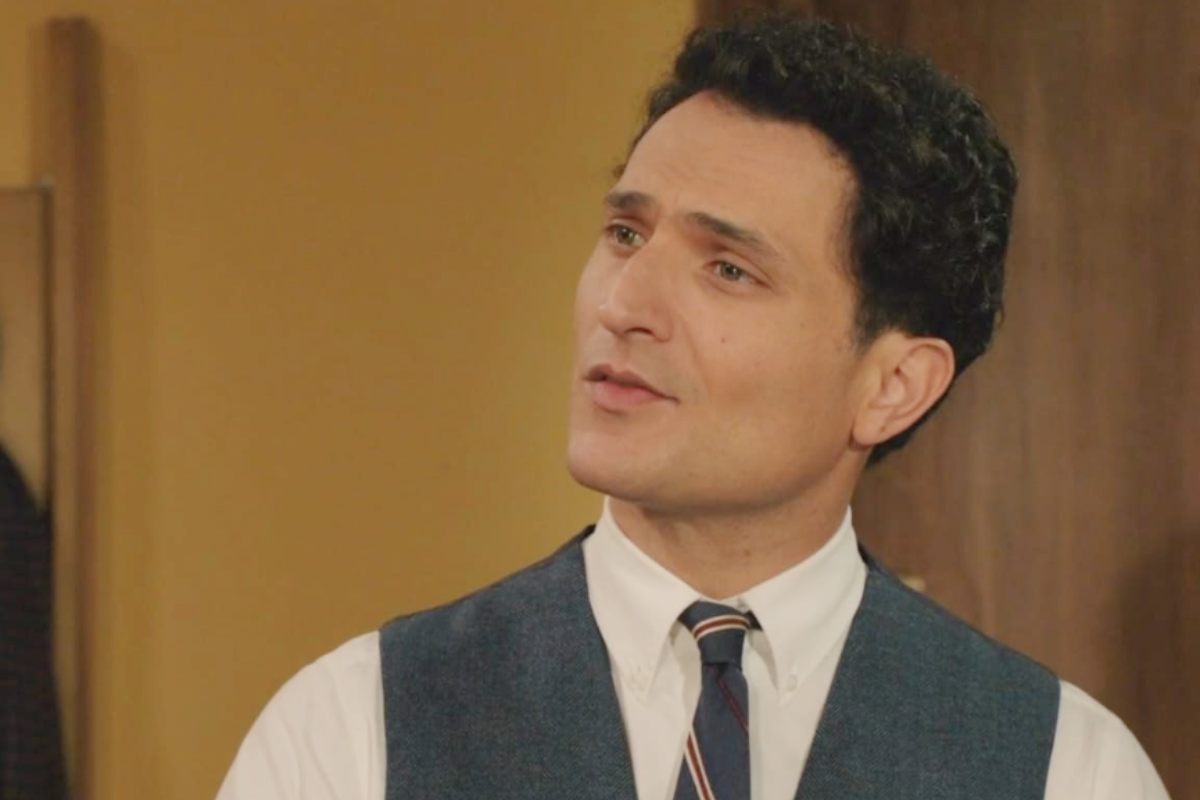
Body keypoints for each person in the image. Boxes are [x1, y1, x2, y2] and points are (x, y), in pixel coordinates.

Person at [217, 15, 1170, 800]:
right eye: (626, 233)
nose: (623, 303)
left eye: (728, 269)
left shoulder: (1067, 770)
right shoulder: (353, 732)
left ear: (893, 386)